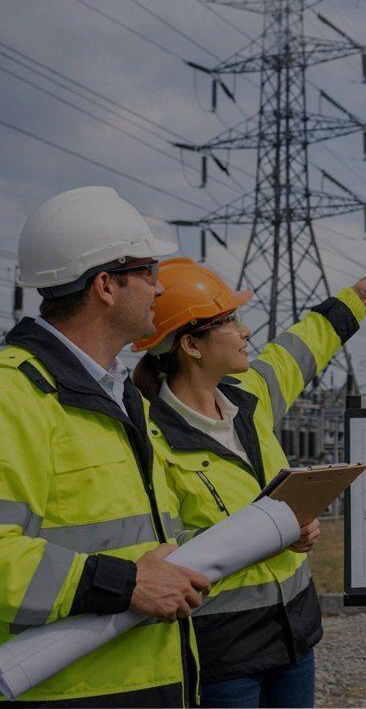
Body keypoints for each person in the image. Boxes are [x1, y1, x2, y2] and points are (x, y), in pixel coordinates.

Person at [130, 251, 366, 708]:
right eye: (230, 321)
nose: (246, 330)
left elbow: (300, 348)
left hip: (294, 634)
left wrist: (356, 299)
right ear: (191, 345)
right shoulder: (151, 436)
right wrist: (271, 534)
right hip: (224, 652)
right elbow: (163, 547)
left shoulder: (249, 397)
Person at [0, 186, 211, 706]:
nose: (161, 290)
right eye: (149, 272)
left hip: (152, 680)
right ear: (105, 286)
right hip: (67, 691)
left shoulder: (119, 394)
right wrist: (126, 583)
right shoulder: (15, 394)